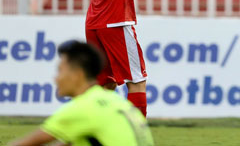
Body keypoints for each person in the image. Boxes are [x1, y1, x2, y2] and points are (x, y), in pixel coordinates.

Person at [9, 41, 154, 146]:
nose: (55, 78)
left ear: (77, 75)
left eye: (60, 71)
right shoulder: (116, 101)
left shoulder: (83, 108)